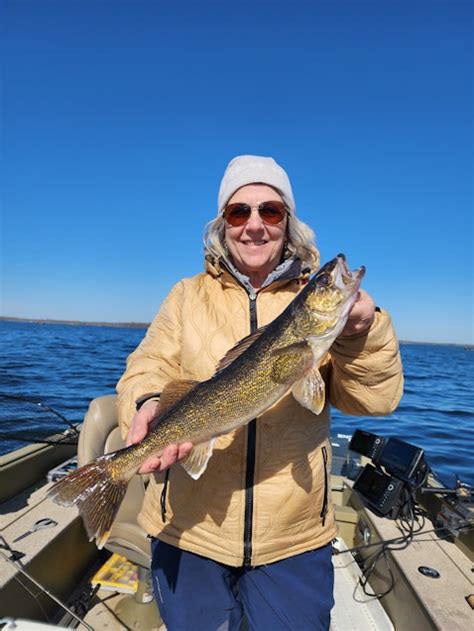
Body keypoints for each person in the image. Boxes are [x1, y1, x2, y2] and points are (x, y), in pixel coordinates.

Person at [116, 155, 403, 630]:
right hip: (190, 530)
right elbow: (148, 366)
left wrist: (362, 332)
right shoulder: (185, 296)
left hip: (291, 537)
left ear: (288, 224)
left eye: (270, 211)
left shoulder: (321, 324)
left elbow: (375, 400)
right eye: (238, 212)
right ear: (222, 225)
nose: (254, 225)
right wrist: (147, 403)